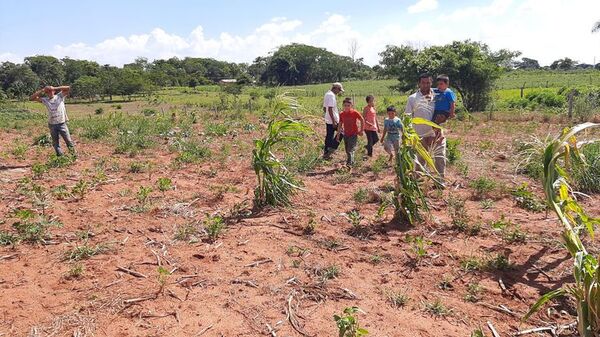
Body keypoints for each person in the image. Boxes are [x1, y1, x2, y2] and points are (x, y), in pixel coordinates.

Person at [405, 74, 447, 179]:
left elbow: (445, 112)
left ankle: (440, 182)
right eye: (423, 83)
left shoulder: (438, 96)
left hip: (437, 135)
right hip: (420, 136)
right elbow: (407, 118)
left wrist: (442, 121)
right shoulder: (413, 98)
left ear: (431, 83)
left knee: (440, 158)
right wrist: (410, 136)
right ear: (419, 83)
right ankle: (419, 183)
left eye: (428, 82)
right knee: (419, 162)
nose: (425, 85)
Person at [30, 85, 76, 157]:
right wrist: (42, 90)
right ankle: (60, 157)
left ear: (54, 91)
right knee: (55, 143)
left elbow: (68, 88)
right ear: (46, 93)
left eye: (51, 91)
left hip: (62, 123)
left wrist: (54, 88)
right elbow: (31, 98)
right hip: (52, 124)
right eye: (48, 92)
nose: (50, 92)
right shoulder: (45, 100)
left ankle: (74, 156)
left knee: (68, 141)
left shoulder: (59, 96)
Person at [336, 97, 364, 168]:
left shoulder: (354, 113)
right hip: (346, 134)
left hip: (353, 134)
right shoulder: (342, 114)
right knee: (347, 150)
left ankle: (349, 164)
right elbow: (340, 124)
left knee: (350, 149)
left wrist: (361, 130)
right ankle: (351, 161)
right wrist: (338, 135)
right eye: (345, 105)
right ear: (343, 105)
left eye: (348, 106)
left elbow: (362, 120)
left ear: (351, 106)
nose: (347, 107)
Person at [323, 82, 344, 159]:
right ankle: (331, 149)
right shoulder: (331, 96)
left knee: (329, 136)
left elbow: (325, 108)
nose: (339, 92)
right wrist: (334, 120)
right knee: (341, 132)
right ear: (335, 88)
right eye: (339, 90)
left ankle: (326, 152)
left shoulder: (327, 94)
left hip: (328, 119)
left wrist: (327, 116)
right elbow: (330, 109)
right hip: (333, 120)